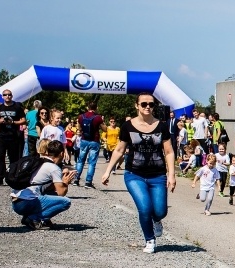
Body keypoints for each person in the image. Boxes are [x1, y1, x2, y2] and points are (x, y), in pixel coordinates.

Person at [101, 93, 176, 254]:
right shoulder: (128, 126)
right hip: (134, 174)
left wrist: (171, 175)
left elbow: (169, 152)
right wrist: (108, 170)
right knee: (145, 208)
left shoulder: (161, 126)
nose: (148, 107)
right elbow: (120, 150)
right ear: (137, 106)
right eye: (144, 104)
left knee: (160, 211)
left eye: (151, 104)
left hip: (158, 175)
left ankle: (157, 220)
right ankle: (149, 239)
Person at [10, 140, 76, 230]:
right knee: (65, 202)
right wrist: (65, 182)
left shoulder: (39, 162)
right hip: (26, 203)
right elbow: (61, 193)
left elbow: (46, 187)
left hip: (16, 202)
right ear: (62, 153)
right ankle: (33, 218)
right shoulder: (54, 168)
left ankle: (33, 216)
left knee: (51, 193)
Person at [0, 89, 26, 185]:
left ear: (12, 96)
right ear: (2, 97)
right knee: (0, 156)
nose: (7, 96)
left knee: (13, 158)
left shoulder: (17, 107)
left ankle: (12, 177)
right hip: (2, 135)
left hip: (13, 136)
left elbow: (23, 120)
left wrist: (13, 122)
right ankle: (0, 177)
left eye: (9, 94)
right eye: (5, 95)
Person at [74, 102, 106, 189]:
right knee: (92, 162)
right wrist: (103, 121)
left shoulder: (81, 116)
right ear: (96, 107)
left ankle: (76, 180)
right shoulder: (98, 117)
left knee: (80, 161)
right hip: (94, 141)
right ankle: (88, 182)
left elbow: (79, 129)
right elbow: (105, 129)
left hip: (84, 140)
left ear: (88, 107)